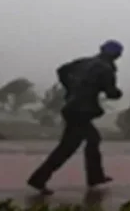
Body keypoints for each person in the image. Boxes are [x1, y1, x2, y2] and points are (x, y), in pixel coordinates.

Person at [27, 40, 124, 194]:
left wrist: (71, 87)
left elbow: (62, 70)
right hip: (81, 111)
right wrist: (117, 93)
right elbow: (111, 92)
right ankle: (39, 179)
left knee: (86, 141)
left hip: (72, 108)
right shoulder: (106, 69)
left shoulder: (85, 62)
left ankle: (94, 177)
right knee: (72, 146)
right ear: (116, 55)